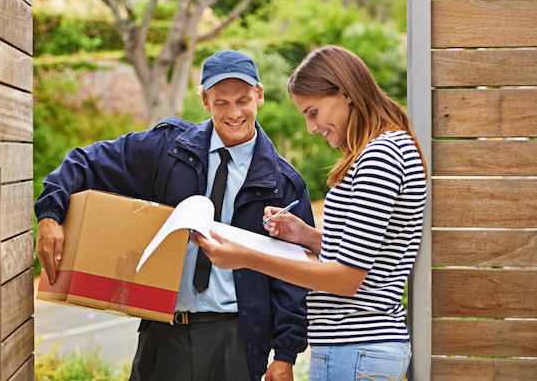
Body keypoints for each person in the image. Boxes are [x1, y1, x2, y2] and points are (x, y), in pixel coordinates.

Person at [34, 49, 315, 381]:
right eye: (221, 102)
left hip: (236, 342)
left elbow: (295, 276)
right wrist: (50, 214)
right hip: (164, 335)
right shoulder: (168, 150)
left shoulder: (283, 182)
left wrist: (285, 355)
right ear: (205, 101)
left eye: (242, 100)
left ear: (260, 96)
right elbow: (85, 161)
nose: (234, 112)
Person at [193, 45, 428, 381]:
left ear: (344, 94)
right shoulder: (384, 149)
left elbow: (346, 278)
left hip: (357, 349)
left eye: (313, 112)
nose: (311, 127)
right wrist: (305, 236)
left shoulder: (380, 156)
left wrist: (246, 257)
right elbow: (369, 255)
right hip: (357, 350)